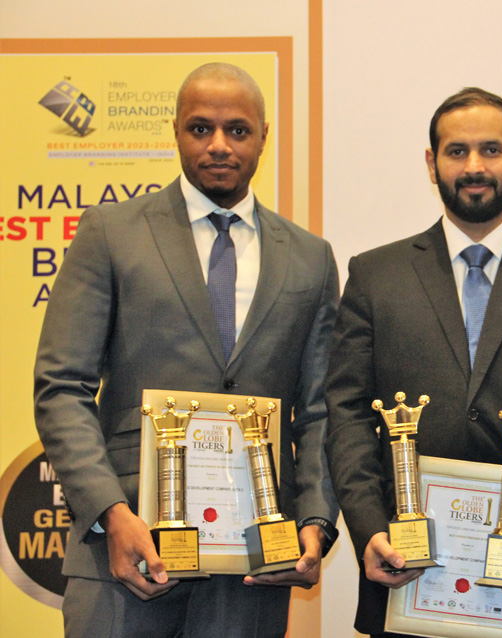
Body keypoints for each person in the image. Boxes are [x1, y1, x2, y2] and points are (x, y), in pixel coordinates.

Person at [34, 62, 339, 638]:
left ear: (264, 137)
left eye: (238, 130)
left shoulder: (310, 258)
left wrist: (316, 522)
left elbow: (321, 409)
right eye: (201, 129)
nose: (219, 145)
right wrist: (110, 515)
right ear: (175, 130)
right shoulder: (110, 232)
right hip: (124, 551)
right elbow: (61, 387)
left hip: (252, 565)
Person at [326, 87, 502, 638]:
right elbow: (348, 416)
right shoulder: (374, 276)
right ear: (431, 164)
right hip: (407, 577)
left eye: (491, 149)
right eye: (456, 152)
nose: (475, 166)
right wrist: (368, 529)